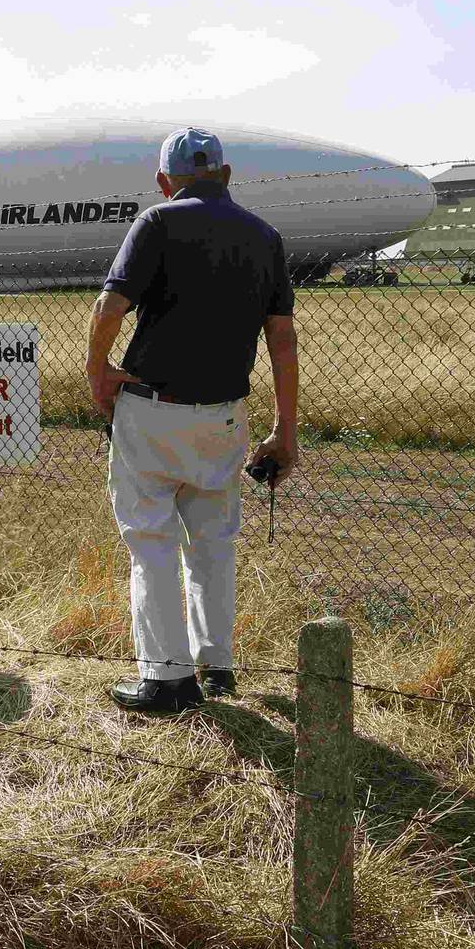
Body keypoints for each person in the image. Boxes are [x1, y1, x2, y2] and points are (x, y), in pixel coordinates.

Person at [85, 127, 300, 714]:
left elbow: (110, 305)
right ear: (227, 176)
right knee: (213, 543)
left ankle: (166, 677)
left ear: (165, 183)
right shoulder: (265, 236)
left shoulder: (156, 223)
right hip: (226, 415)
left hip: (153, 410)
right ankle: (218, 664)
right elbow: (281, 339)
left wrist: (98, 368)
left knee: (151, 540)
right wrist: (285, 428)